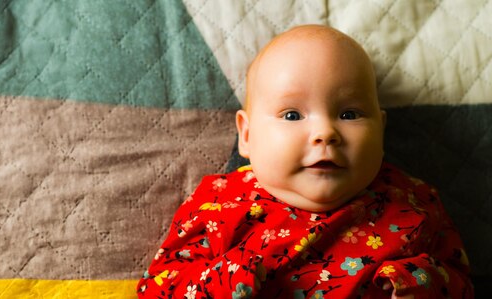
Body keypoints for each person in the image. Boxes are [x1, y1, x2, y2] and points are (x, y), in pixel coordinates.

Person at [137, 25, 473, 299]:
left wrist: (425, 281)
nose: (325, 133)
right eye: (293, 114)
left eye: (349, 114)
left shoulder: (413, 201)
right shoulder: (219, 203)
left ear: (381, 130)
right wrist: (226, 280)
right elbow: (160, 287)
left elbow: (461, 281)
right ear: (248, 135)